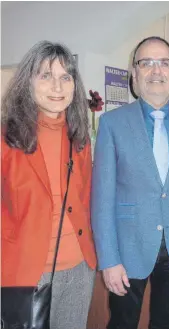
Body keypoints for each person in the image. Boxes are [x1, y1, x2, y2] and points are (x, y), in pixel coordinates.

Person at [91, 36, 169, 329]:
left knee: (167, 322)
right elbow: (102, 199)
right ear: (134, 74)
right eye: (146, 63)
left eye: (164, 63)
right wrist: (109, 259)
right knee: (122, 322)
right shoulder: (112, 123)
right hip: (128, 246)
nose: (156, 71)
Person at [1, 41, 97, 329]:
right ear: (28, 82)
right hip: (24, 269)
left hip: (78, 268)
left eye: (65, 77)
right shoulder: (7, 138)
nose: (57, 86)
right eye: (46, 75)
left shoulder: (79, 138)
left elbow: (86, 198)